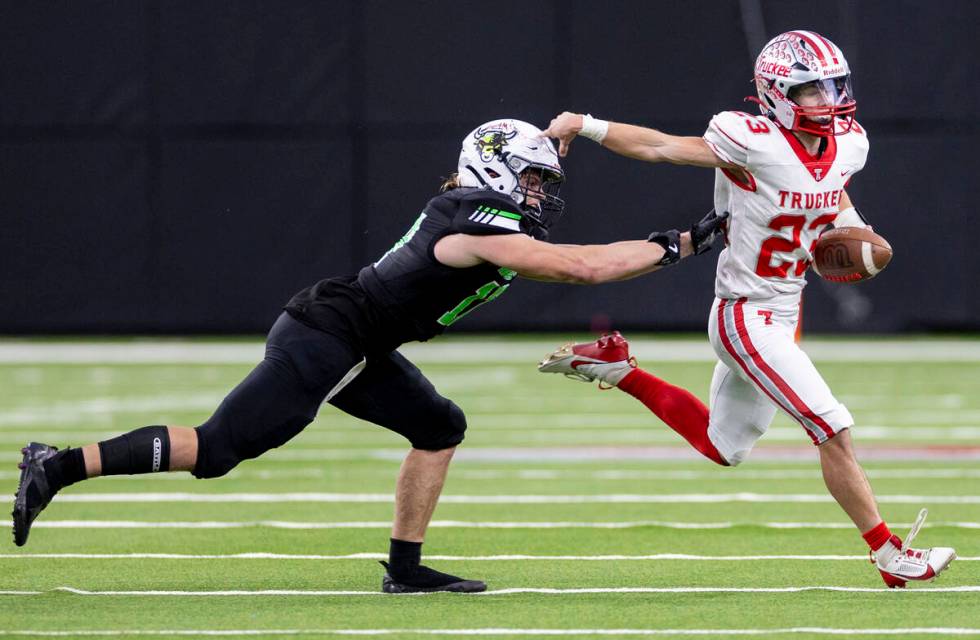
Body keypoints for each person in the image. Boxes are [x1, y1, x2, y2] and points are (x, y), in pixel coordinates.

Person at [14, 118, 726, 593]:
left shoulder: (480, 205)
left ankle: (405, 569)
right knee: (219, 448)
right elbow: (580, 268)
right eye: (532, 179)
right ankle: (57, 463)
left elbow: (567, 252)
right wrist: (678, 244)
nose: (540, 192)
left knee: (440, 423)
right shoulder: (477, 216)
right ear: (497, 170)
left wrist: (568, 136)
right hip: (327, 335)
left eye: (543, 182)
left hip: (357, 339)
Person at [536, 31, 956, 588]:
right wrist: (585, 124)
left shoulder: (849, 142)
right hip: (745, 313)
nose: (827, 99)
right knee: (832, 427)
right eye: (810, 90)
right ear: (778, 94)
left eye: (833, 85)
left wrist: (854, 230)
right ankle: (888, 553)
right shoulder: (750, 140)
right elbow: (661, 146)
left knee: (724, 446)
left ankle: (617, 368)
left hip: (786, 309)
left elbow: (833, 193)